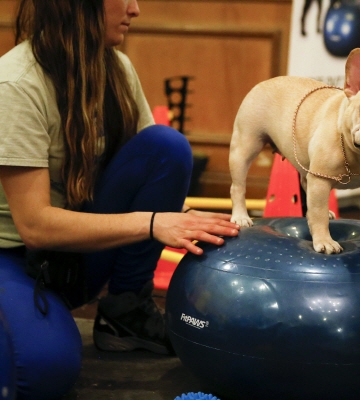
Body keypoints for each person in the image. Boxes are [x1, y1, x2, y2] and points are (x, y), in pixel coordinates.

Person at [0, 0, 239, 398]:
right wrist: (153, 223)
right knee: (44, 370)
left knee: (167, 146)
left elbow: (149, 171)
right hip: (15, 256)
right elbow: (36, 227)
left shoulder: (117, 68)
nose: (136, 8)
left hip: (72, 258)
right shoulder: (15, 84)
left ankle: (125, 312)